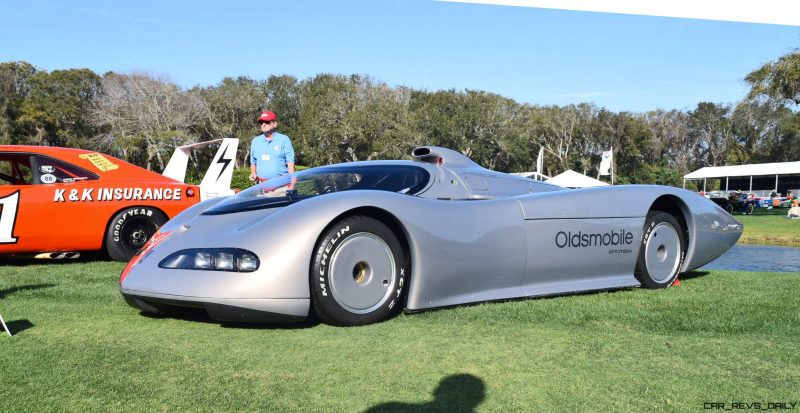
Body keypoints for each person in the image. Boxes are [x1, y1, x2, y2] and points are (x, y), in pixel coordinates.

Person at [249, 110, 295, 183]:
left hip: (280, 187)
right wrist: (253, 173)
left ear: (275, 124)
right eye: (261, 122)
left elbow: (291, 165)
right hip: (261, 187)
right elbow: (253, 162)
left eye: (267, 122)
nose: (263, 124)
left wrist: (292, 185)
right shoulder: (255, 141)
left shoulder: (284, 140)